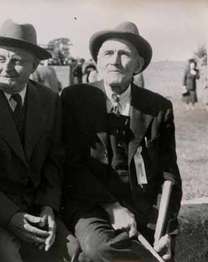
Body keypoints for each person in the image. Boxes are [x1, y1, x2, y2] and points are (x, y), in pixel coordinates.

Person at [61, 21, 182, 262]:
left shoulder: (158, 108)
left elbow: (169, 175)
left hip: (140, 208)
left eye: (124, 54)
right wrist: (112, 206)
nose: (114, 61)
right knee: (99, 250)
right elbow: (70, 165)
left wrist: (168, 232)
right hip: (91, 205)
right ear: (97, 61)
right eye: (108, 53)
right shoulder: (75, 98)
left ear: (138, 65)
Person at [0, 19, 79, 262]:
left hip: (35, 209)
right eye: (0, 59)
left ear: (35, 66)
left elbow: (54, 160)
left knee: (72, 252)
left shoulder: (49, 101)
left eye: (17, 60)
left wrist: (48, 207)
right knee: (10, 257)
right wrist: (11, 217)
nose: (6, 67)